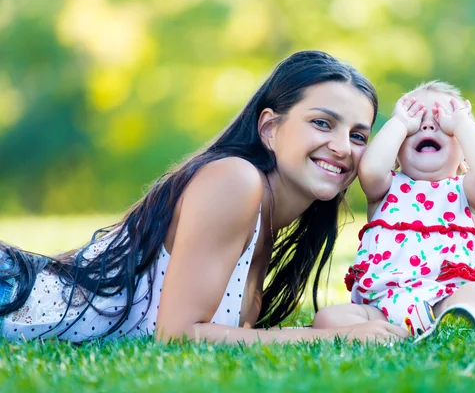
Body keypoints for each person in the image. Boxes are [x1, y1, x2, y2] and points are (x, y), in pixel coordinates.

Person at [0, 50, 408, 344]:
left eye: (358, 136)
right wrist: (325, 339)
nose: (343, 147)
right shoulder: (236, 180)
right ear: (269, 129)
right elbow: (177, 336)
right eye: (322, 123)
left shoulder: (266, 221)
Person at [312, 81, 475, 341]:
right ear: (397, 151)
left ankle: (457, 319)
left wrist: (461, 124)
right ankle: (387, 334)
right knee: (326, 318)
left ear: (466, 156)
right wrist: (400, 123)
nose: (428, 125)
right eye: (416, 118)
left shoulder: (465, 192)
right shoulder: (385, 189)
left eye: (441, 120)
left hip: (444, 299)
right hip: (382, 308)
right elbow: (370, 168)